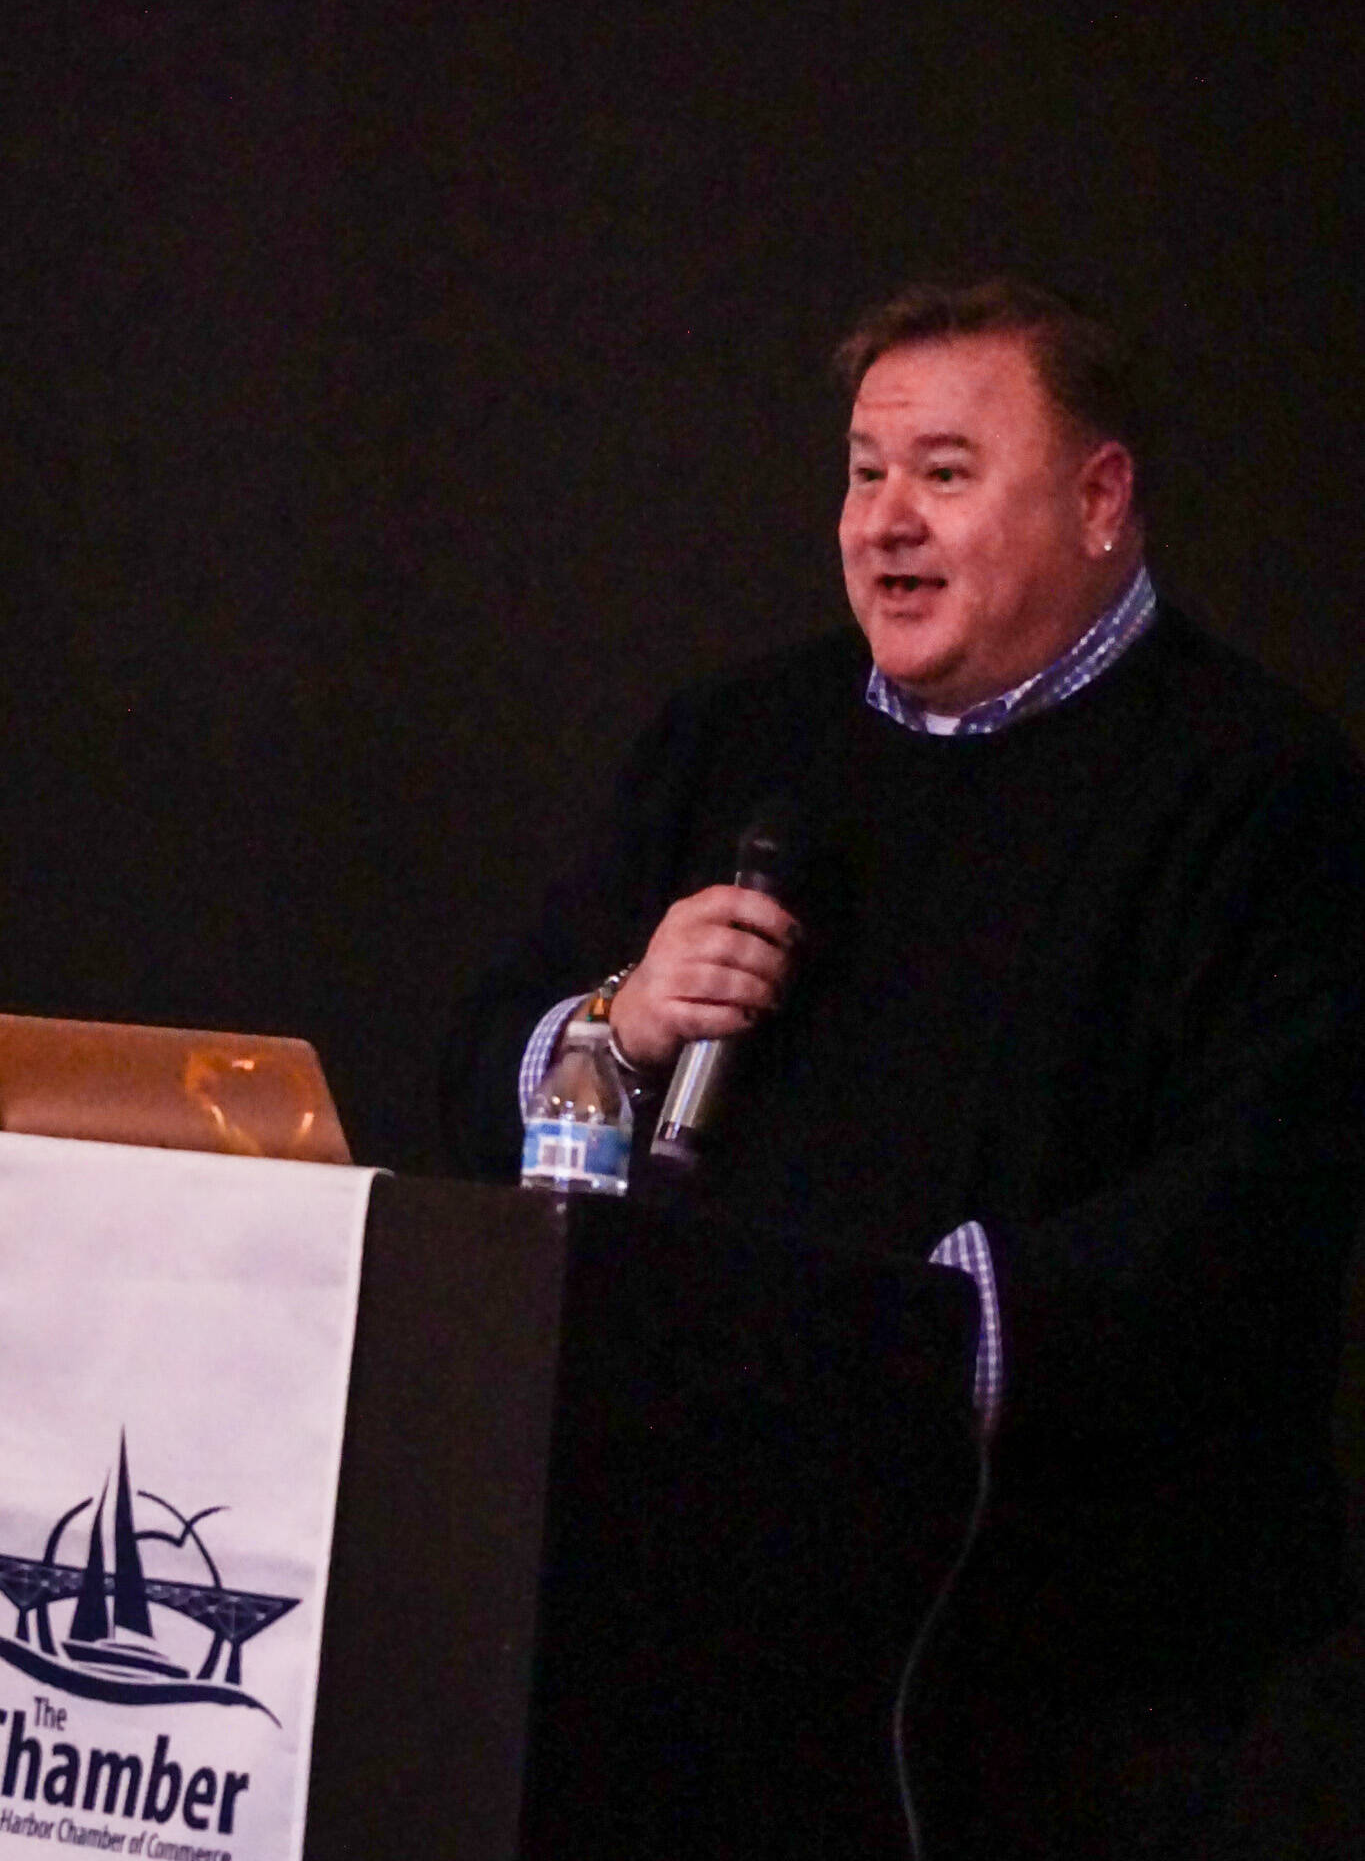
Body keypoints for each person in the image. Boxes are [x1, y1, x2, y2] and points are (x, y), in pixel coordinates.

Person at [443, 280, 1365, 1857]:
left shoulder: (1264, 793)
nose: (884, 522)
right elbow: (481, 1074)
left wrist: (905, 1360)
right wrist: (622, 1015)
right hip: (693, 1617)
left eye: (943, 472)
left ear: (1097, 500)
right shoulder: (735, 743)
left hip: (1082, 1672)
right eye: (865, 472)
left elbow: (1256, 1202)